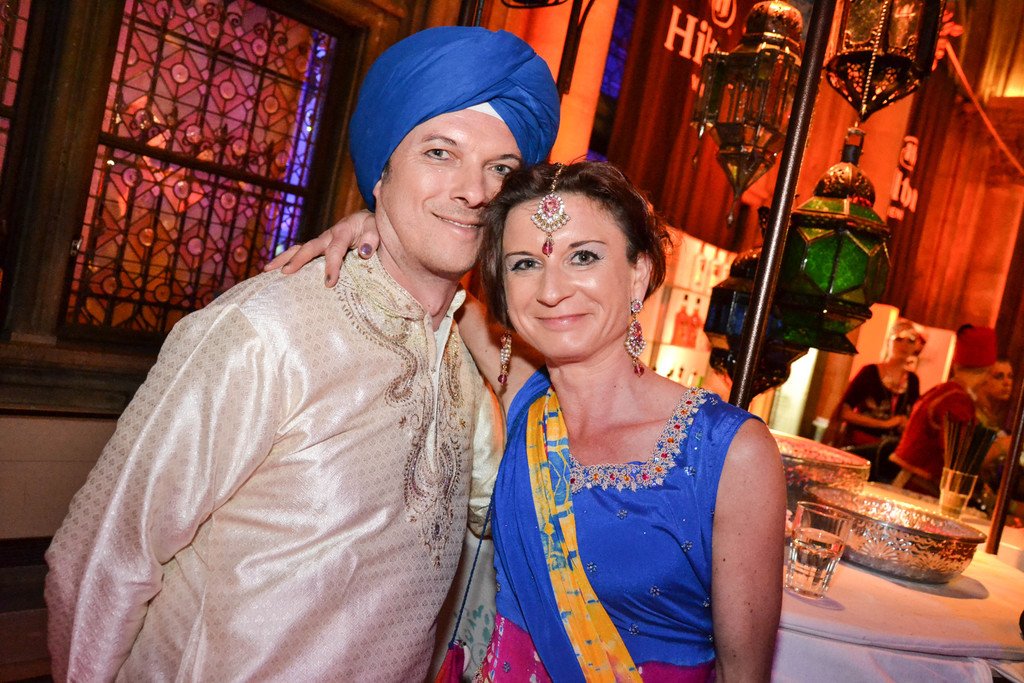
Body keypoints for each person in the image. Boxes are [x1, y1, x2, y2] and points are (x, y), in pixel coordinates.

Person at [44, 26, 560, 682]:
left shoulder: (458, 362)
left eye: (502, 169)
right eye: (440, 152)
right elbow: (99, 561)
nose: (475, 190)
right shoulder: (266, 330)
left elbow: (508, 519)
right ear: (381, 172)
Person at [278, 162, 787, 680]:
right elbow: (443, 285)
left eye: (583, 256)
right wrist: (376, 224)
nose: (551, 290)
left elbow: (743, 674)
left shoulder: (730, 453)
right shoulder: (530, 404)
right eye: (524, 264)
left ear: (639, 272)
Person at [889, 324, 998, 495]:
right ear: (988, 372)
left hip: (913, 484)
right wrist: (1003, 447)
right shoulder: (956, 400)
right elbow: (959, 459)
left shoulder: (944, 391)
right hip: (919, 489)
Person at [826, 319, 924, 480]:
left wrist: (905, 424)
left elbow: (913, 416)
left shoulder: (913, 381)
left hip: (887, 454)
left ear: (916, 346)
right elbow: (844, 412)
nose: (904, 344)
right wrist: (885, 424)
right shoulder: (870, 372)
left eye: (911, 340)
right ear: (889, 341)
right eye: (899, 338)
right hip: (860, 447)